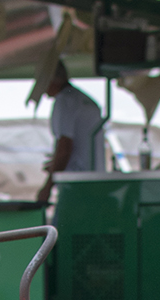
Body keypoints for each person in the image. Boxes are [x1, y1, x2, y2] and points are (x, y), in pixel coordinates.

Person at [34, 61, 103, 205]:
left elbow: (64, 148)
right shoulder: (86, 100)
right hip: (95, 182)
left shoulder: (64, 100)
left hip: (76, 186)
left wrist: (47, 188)